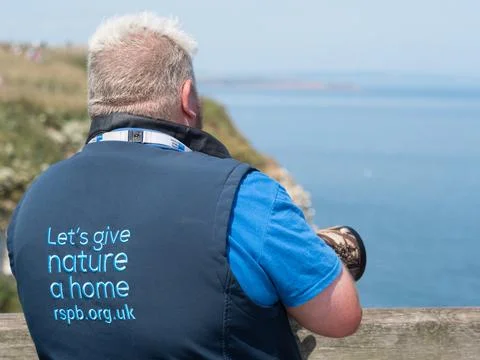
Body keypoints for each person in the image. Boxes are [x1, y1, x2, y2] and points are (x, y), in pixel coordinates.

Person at [7, 12, 361, 360]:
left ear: (97, 101)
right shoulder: (243, 197)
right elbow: (340, 316)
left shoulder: (32, 204)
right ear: (187, 97)